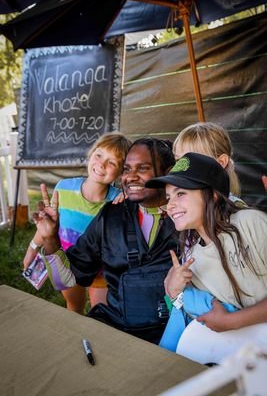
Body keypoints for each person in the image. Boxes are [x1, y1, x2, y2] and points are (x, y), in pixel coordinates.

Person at [32, 137, 177, 343]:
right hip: (117, 328)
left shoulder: (187, 218)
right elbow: (63, 280)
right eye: (127, 169)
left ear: (168, 172)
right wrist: (49, 238)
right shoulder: (111, 216)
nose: (131, 177)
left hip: (176, 333)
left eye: (142, 168)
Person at [146, 152, 267, 363]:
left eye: (180, 193)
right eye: (168, 198)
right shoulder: (191, 256)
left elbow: (227, 320)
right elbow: (202, 316)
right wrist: (175, 294)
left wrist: (232, 322)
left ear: (212, 195)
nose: (171, 204)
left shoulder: (251, 223)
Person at [23, 132, 131, 314]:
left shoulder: (117, 201)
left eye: (112, 162)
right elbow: (46, 227)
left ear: (121, 172)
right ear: (91, 154)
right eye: (99, 155)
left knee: (102, 314)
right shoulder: (63, 188)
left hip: (102, 270)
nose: (102, 164)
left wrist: (129, 198)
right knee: (74, 308)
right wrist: (32, 249)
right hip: (68, 264)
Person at [173, 122, 245, 206]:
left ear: (221, 162)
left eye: (192, 160)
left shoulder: (238, 213)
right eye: (178, 160)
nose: (182, 168)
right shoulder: (180, 206)